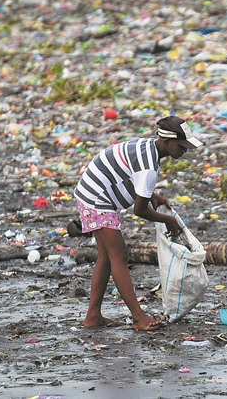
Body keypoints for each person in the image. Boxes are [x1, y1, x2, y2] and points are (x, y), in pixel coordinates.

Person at [73, 116, 202, 330]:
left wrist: (151, 194)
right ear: (168, 142)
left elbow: (130, 174)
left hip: (92, 191)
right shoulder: (149, 165)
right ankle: (138, 316)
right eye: (182, 146)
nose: (185, 150)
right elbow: (139, 210)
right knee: (119, 255)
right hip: (96, 199)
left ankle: (93, 316)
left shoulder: (148, 147)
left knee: (106, 256)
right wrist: (168, 220)